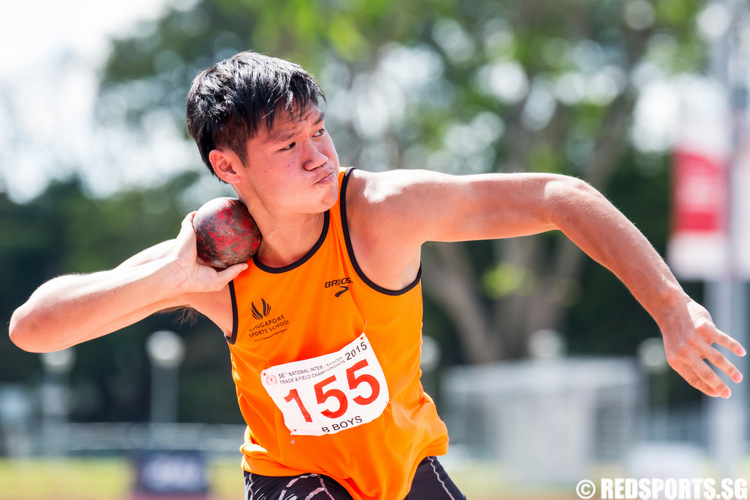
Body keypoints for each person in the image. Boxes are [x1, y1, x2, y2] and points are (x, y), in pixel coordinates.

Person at [9, 51, 746, 500]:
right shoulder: (213, 254)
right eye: (287, 145)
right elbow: (34, 327)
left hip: (405, 475)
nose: (317, 155)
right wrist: (169, 277)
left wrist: (672, 307)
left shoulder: (381, 211)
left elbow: (560, 197)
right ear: (227, 167)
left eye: (319, 131)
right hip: (292, 484)